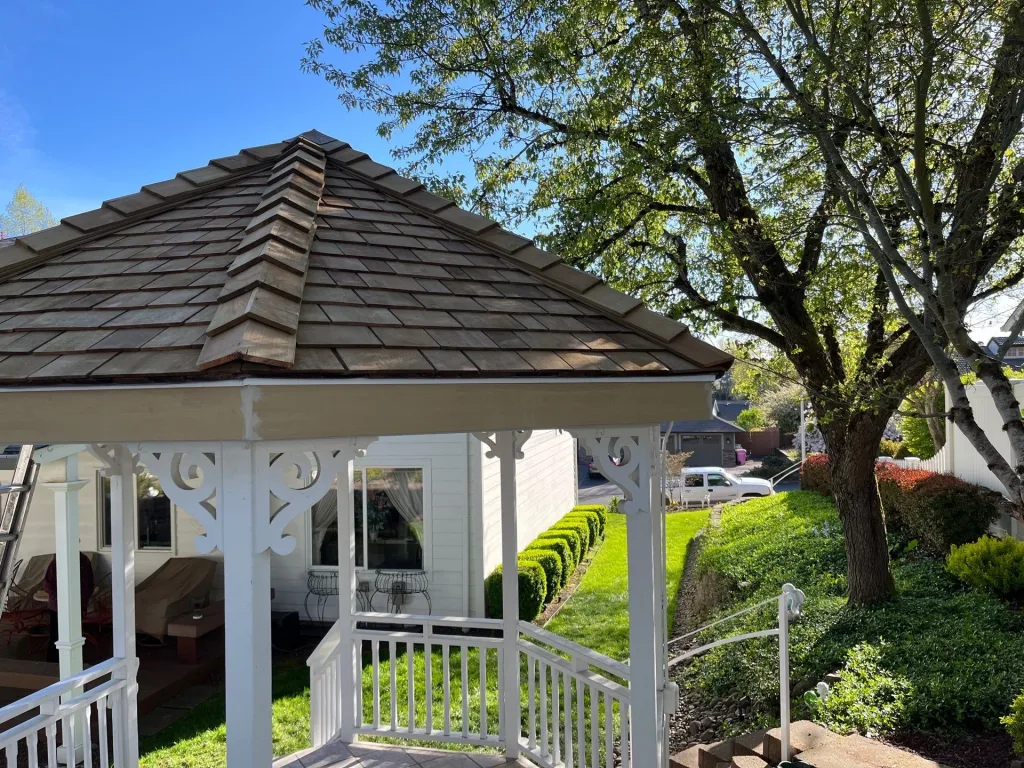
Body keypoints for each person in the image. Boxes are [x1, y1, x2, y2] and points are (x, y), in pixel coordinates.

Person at [42, 552, 94, 664]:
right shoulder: (57, 562)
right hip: (57, 607)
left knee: (75, 637)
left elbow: (89, 584)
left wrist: (83, 601)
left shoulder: (84, 561)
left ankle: (73, 663)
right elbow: (48, 585)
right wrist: (60, 598)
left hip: (77, 606)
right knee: (55, 637)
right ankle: (52, 665)